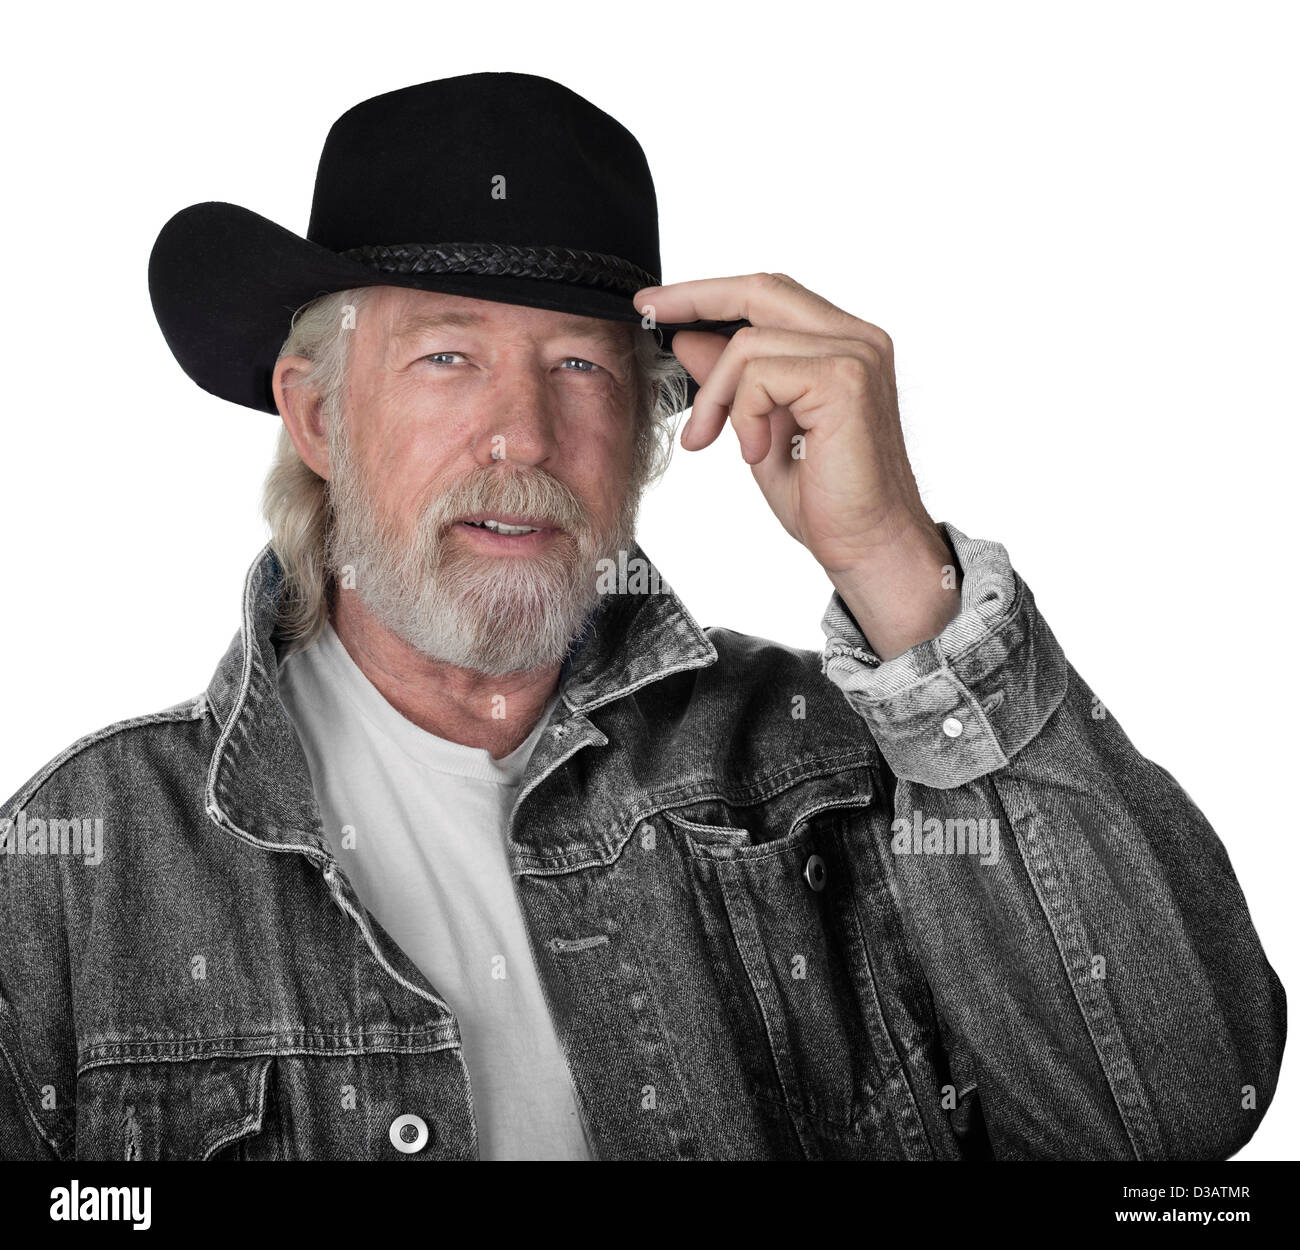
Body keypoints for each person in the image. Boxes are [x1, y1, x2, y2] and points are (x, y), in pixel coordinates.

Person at [0, 72, 1284, 1161]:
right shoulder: (79, 864)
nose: (523, 434)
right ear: (321, 415)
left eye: (578, 366)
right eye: (447, 355)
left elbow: (1172, 1119)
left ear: (646, 433)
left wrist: (892, 557)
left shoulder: (838, 766)